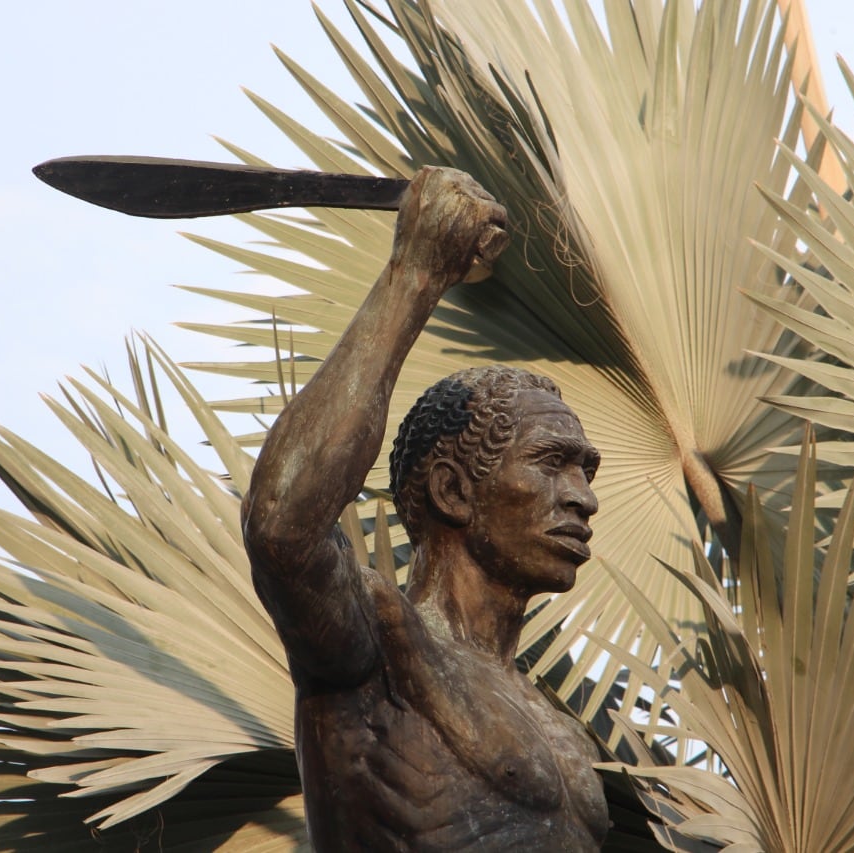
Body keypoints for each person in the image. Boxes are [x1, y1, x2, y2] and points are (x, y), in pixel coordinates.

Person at [242, 167, 608, 851]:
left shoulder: (561, 727)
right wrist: (416, 272)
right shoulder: (376, 648)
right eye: (551, 462)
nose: (584, 496)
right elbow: (281, 524)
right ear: (453, 491)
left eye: (586, 471)